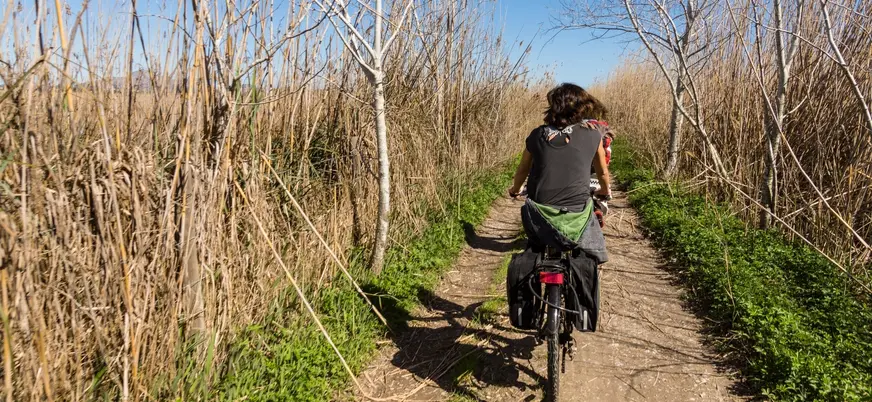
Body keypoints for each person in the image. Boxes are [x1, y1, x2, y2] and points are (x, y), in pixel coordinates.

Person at [508, 83, 612, 254]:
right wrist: (605, 191)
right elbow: (602, 172)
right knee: (591, 231)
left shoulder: (537, 135)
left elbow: (522, 170)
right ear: (583, 108)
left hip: (539, 211)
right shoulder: (593, 135)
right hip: (577, 210)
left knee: (534, 242)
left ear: (553, 107)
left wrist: (516, 189)